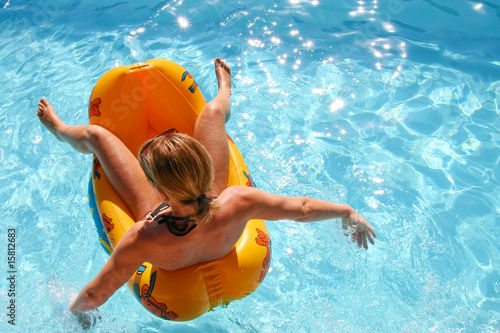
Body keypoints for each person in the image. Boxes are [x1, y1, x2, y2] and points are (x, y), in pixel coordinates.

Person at [37, 58, 377, 319]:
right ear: (207, 166)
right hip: (216, 228)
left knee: (97, 137)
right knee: (213, 111)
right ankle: (224, 91)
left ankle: (59, 128)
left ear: (157, 187)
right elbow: (301, 209)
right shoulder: (238, 202)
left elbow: (97, 295)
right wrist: (347, 212)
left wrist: (73, 313)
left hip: (171, 258)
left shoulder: (144, 236)